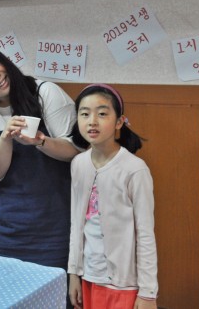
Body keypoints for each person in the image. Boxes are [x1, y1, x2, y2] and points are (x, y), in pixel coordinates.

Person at [0, 41, 81, 270]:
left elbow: (76, 151)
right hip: (10, 228)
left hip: (59, 226)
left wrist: (41, 141)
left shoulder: (44, 93)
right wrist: (5, 139)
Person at [67, 84, 158, 309]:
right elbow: (76, 224)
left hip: (123, 285)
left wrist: (148, 293)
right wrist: (74, 273)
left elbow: (145, 234)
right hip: (88, 277)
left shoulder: (134, 169)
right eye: (85, 113)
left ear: (119, 122)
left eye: (102, 113)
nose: (92, 121)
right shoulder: (78, 164)